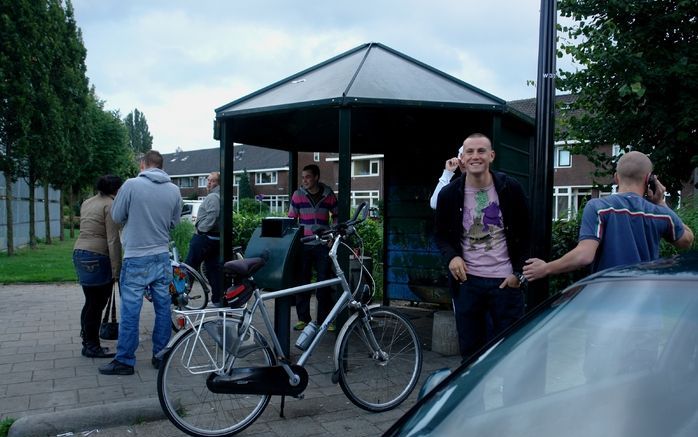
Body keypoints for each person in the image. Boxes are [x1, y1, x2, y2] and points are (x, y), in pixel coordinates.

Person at [523, 150, 694, 281]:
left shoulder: (598, 207)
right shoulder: (660, 214)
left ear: (615, 178)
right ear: (649, 179)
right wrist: (661, 203)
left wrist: (545, 268)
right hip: (645, 299)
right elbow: (687, 241)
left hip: (607, 297)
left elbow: (584, 256)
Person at [434, 133, 530, 359]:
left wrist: (518, 273)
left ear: (491, 156)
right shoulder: (449, 194)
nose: (475, 156)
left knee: (510, 353)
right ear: (462, 158)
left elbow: (527, 233)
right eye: (470, 152)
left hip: (506, 284)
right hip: (468, 283)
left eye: (481, 151)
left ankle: (511, 395)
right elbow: (440, 235)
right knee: (471, 355)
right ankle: (476, 396)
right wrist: (452, 257)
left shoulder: (510, 188)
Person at [99, 150, 182, 375]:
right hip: (162, 256)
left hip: (136, 256)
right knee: (163, 307)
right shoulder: (174, 190)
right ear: (161, 166)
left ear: (143, 165)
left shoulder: (131, 185)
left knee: (131, 310)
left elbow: (116, 216)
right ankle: (161, 354)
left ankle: (125, 360)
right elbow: (175, 222)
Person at [72, 175, 123, 359]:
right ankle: (91, 346)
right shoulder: (110, 205)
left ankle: (87, 338)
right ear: (116, 189)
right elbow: (112, 239)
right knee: (96, 304)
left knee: (90, 302)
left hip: (79, 252)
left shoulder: (88, 202)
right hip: (97, 256)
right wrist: (116, 269)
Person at [288, 164, 339, 331]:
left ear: (316, 177)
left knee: (324, 282)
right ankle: (304, 319)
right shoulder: (298, 195)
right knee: (302, 281)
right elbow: (291, 220)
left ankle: (326, 320)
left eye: (308, 177)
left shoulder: (328, 194)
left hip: (323, 245)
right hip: (304, 245)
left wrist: (332, 235)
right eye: (303, 178)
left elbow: (337, 215)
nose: (304, 181)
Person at [185, 172, 222, 306]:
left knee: (189, 267)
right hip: (216, 239)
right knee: (213, 269)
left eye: (211, 181)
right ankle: (217, 299)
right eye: (208, 180)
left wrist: (202, 229)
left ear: (217, 183)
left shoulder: (213, 196)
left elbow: (213, 214)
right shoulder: (221, 195)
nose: (208, 183)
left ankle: (181, 296)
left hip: (204, 237)